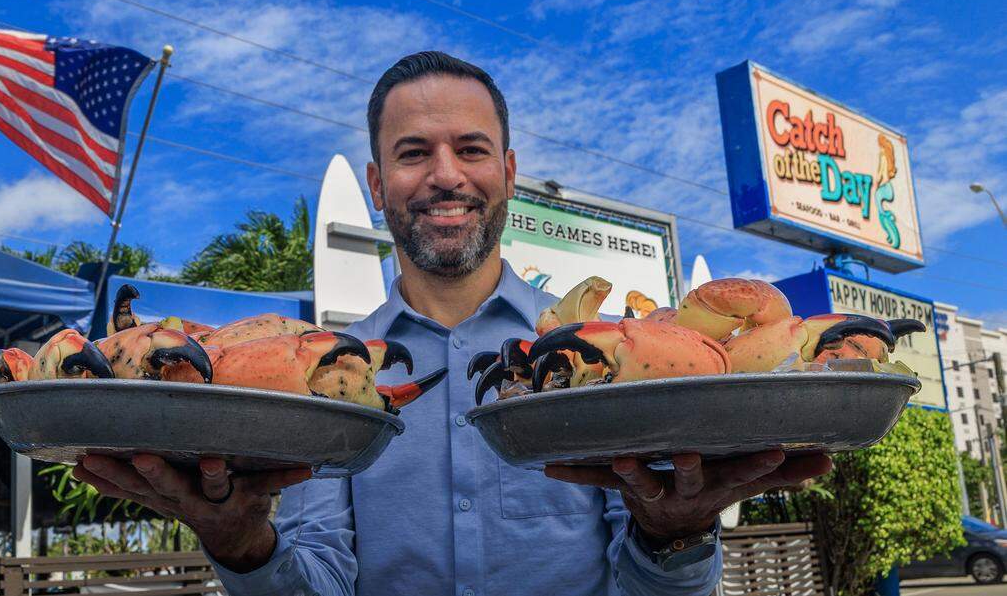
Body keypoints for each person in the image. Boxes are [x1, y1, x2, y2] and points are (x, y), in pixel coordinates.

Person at [73, 51, 833, 595]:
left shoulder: (606, 357)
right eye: (413, 153)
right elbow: (320, 578)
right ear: (376, 184)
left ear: (508, 170)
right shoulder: (317, 378)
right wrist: (241, 544)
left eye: (471, 149)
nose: (444, 174)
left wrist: (674, 538)